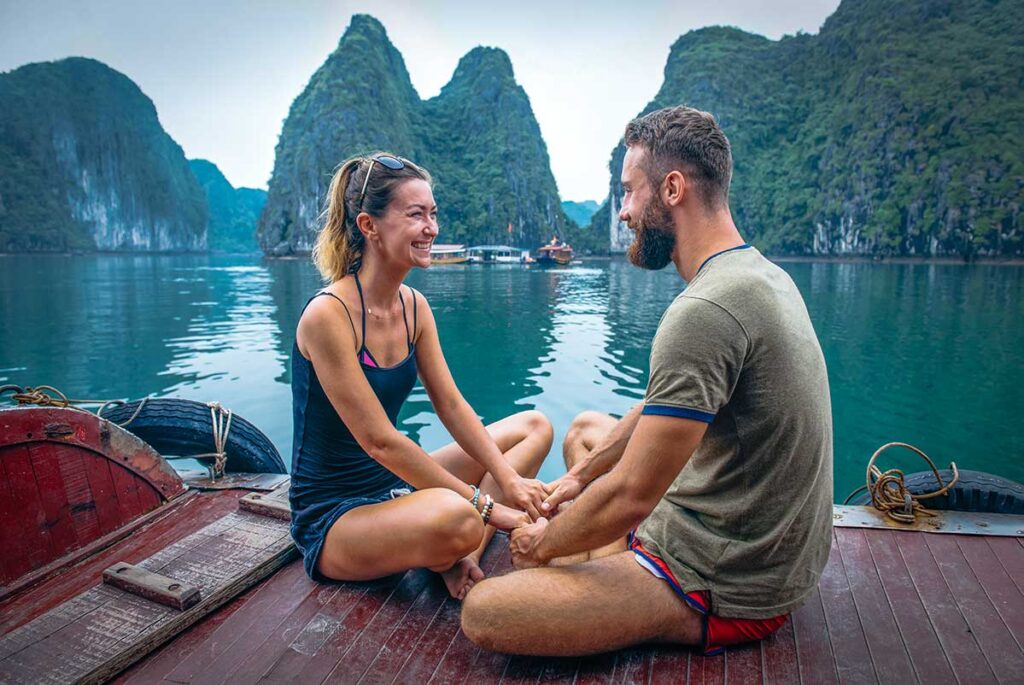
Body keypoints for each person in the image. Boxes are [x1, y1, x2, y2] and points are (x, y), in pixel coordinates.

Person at [461, 106, 833, 655]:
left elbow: (634, 494)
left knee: (486, 612)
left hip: (730, 578)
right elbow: (661, 405)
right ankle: (603, 557)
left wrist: (542, 545)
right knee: (587, 430)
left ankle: (612, 573)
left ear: (673, 189)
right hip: (759, 538)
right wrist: (580, 477)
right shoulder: (757, 273)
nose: (625, 212)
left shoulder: (704, 309)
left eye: (630, 192)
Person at [289, 152, 553, 599]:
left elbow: (450, 405)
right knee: (461, 517)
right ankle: (455, 543)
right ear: (369, 226)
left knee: (534, 426)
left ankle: (458, 558)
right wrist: (490, 507)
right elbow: (380, 441)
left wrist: (507, 479)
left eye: (432, 214)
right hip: (335, 517)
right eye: (416, 215)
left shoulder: (414, 308)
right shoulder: (328, 316)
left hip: (391, 485)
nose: (431, 228)